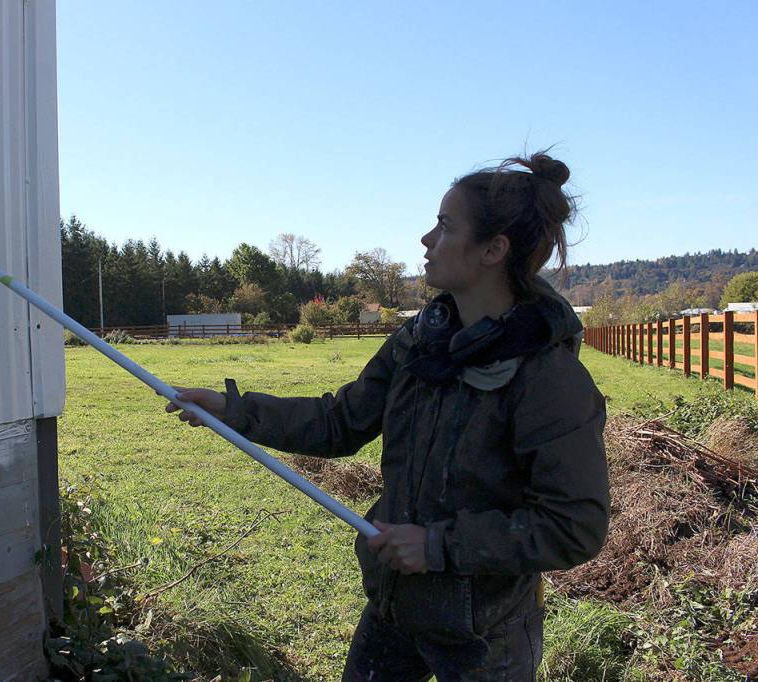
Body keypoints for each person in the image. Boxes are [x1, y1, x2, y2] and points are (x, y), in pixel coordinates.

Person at [165, 151, 609, 681]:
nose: (426, 239)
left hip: (485, 634)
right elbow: (339, 421)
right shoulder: (418, 343)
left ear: (494, 249)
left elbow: (574, 526)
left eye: (444, 226)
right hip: (395, 609)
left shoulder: (547, 377)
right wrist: (235, 410)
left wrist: (438, 545)